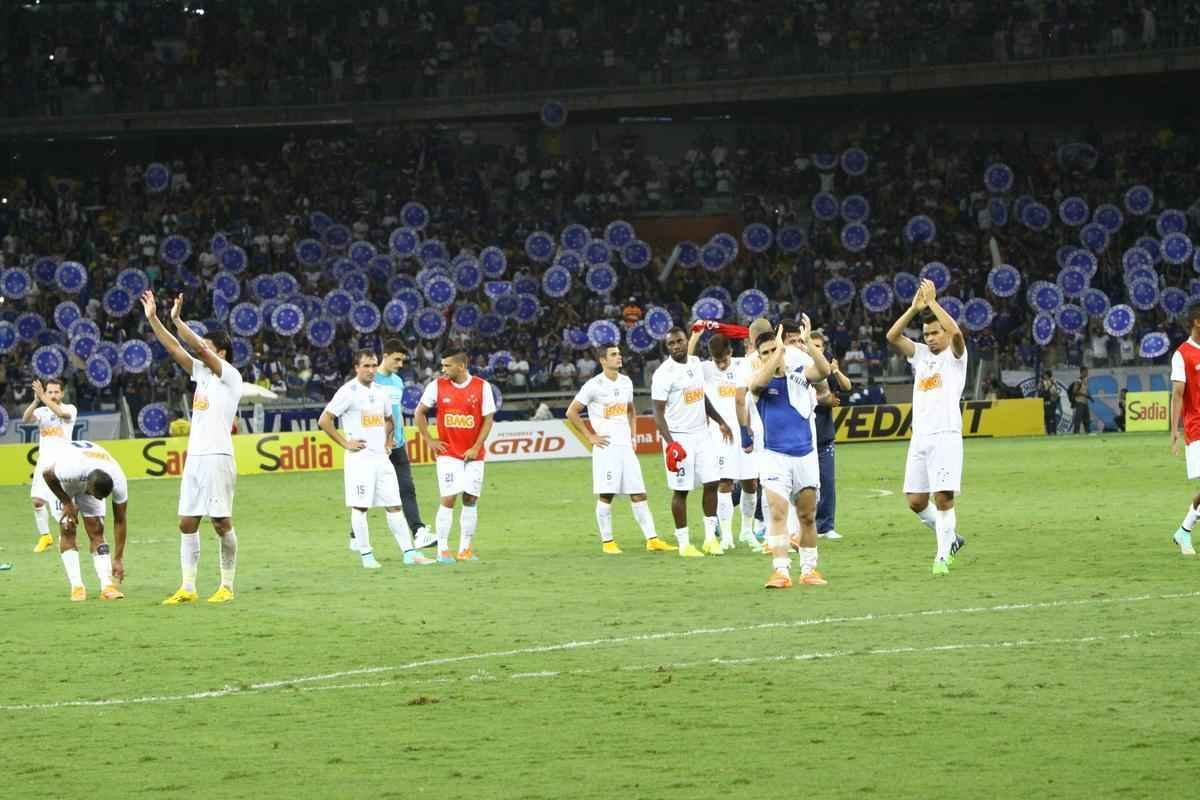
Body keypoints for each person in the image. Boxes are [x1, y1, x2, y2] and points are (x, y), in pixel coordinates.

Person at [141, 291, 242, 604]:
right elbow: (174, 348)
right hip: (196, 458)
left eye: (209, 349)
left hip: (218, 457)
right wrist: (154, 319)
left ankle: (226, 585)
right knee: (187, 522)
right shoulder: (202, 375)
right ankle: (188, 587)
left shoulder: (231, 377)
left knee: (221, 522)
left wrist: (177, 320)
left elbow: (195, 345)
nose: (202, 353)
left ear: (221, 353)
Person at [320, 349, 435, 569]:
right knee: (360, 507)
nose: (371, 370)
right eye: (366, 366)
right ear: (356, 368)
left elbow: (389, 420)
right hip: (359, 460)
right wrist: (345, 443)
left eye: (374, 365)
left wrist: (388, 441)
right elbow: (325, 420)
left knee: (394, 505)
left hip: (381, 459)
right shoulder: (348, 391)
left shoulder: (382, 391)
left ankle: (409, 553)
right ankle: (366, 555)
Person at [885, 279, 968, 576]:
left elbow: (957, 332)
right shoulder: (919, 354)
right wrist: (913, 309)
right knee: (916, 501)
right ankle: (951, 539)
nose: (931, 338)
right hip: (919, 436)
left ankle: (942, 556)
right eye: (927, 334)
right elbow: (892, 335)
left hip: (945, 434)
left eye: (935, 333)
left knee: (943, 497)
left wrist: (933, 304)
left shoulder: (956, 356)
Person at [747, 316, 831, 588]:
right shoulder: (758, 382)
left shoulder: (798, 377)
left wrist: (807, 344)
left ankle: (809, 569)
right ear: (759, 357)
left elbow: (824, 371)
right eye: (766, 353)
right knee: (778, 513)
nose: (773, 355)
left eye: (775, 349)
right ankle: (781, 571)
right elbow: (758, 382)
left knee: (807, 515)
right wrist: (779, 350)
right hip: (774, 458)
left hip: (805, 456)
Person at [566, 344, 672, 554]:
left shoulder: (626, 382)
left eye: (619, 354)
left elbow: (630, 410)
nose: (619, 357)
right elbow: (572, 412)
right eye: (613, 355)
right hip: (606, 448)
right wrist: (590, 436)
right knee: (607, 495)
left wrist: (632, 434)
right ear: (603, 360)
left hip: (625, 448)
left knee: (639, 493)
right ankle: (608, 542)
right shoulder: (593, 385)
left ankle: (652, 539)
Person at [650, 327, 734, 557]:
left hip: (702, 434)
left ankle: (709, 539)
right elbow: (657, 412)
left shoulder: (696, 363)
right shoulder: (663, 373)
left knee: (712, 483)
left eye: (679, 341)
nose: (676, 346)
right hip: (679, 437)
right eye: (671, 344)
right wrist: (670, 443)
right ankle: (684, 544)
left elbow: (701, 396)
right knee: (681, 490)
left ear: (687, 341)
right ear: (666, 347)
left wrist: (720, 421)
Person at [414, 349, 496, 562]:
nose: (443, 370)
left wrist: (477, 447)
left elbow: (488, 419)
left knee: (470, 498)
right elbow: (419, 412)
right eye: (442, 365)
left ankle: (465, 549)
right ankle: (442, 549)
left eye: (447, 365)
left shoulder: (482, 387)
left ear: (461, 366)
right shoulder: (437, 386)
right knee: (449, 498)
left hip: (473, 454)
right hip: (448, 453)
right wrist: (429, 440)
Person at [689, 329, 756, 550]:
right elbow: (687, 363)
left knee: (751, 483)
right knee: (724, 483)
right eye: (717, 360)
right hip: (720, 435)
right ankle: (726, 535)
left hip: (744, 430)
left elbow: (758, 356)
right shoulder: (706, 369)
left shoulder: (741, 365)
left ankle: (747, 531)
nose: (721, 364)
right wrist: (696, 336)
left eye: (724, 359)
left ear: (730, 352)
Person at [42, 440, 128, 602]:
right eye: (97, 495)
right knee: (67, 527)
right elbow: (47, 474)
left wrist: (118, 558)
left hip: (87, 470)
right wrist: (66, 502)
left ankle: (107, 586)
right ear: (89, 486)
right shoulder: (68, 469)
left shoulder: (117, 478)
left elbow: (120, 520)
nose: (99, 499)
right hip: (59, 481)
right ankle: (77, 586)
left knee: (97, 529)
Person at [369, 339, 432, 548]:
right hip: (376, 446)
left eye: (402, 360)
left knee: (407, 488)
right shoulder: (370, 379)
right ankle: (355, 533)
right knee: (369, 489)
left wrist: (397, 435)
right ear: (385, 355)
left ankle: (419, 531)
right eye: (396, 359)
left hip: (397, 443)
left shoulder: (397, 381)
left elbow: (394, 412)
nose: (400, 364)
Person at [733, 317, 776, 548]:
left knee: (766, 481)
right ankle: (783, 532)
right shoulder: (783, 355)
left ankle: (769, 533)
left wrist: (744, 432)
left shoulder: (747, 364)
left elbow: (740, 399)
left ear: (750, 339)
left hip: (759, 428)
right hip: (784, 426)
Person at [22, 378, 77, 553]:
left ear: (62, 393)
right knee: (37, 501)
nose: (53, 395)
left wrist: (43, 397)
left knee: (61, 504)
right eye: (49, 392)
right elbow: (26, 419)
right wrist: (36, 400)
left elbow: (61, 414)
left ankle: (67, 536)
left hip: (62, 463)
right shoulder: (42, 411)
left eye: (56, 392)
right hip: (43, 462)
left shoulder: (69, 409)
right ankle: (45, 536)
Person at [810, 330, 853, 540]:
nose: (816, 350)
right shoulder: (800, 369)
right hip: (803, 439)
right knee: (802, 485)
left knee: (827, 482)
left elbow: (847, 387)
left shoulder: (826, 369)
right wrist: (821, 400)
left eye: (819, 347)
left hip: (824, 435)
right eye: (813, 346)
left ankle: (826, 526)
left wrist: (835, 371)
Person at [1169, 303, 1200, 556]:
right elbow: (1177, 395)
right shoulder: (1183, 354)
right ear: (1196, 322)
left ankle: (1183, 532)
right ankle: (1184, 531)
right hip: (1196, 427)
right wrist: (1174, 431)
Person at [1068, 367, 1093, 434]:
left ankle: (1088, 432)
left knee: (1087, 419)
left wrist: (1089, 397)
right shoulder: (1078, 381)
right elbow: (1074, 391)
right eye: (1086, 371)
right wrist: (1085, 395)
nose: (1087, 373)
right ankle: (1076, 433)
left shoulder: (1085, 380)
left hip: (1085, 402)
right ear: (1082, 372)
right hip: (1079, 402)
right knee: (1078, 419)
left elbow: (1084, 390)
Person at [1038, 370, 1060, 434]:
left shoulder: (1053, 381)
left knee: (1051, 417)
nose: (1044, 376)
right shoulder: (1042, 382)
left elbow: (1057, 391)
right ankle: (1050, 431)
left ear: (1047, 375)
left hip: (1052, 402)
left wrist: (1054, 398)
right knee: (1048, 417)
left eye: (1045, 375)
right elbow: (1040, 392)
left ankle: (1053, 431)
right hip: (1047, 402)